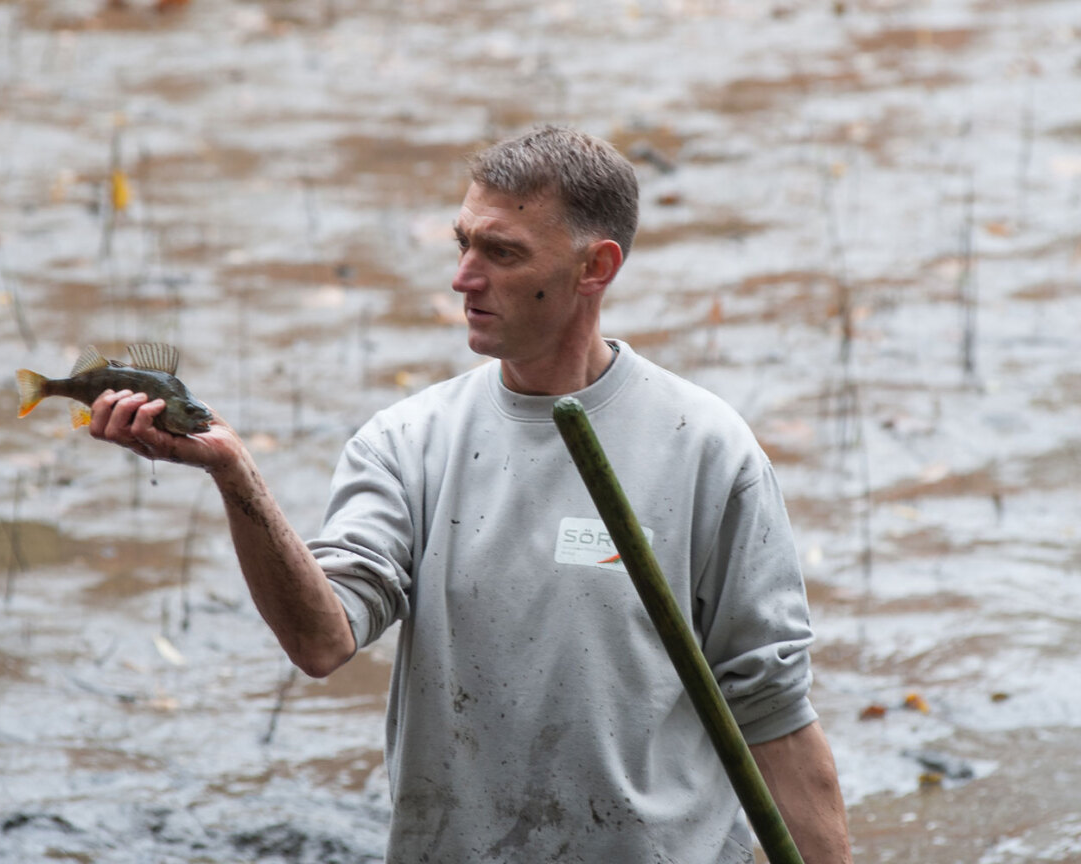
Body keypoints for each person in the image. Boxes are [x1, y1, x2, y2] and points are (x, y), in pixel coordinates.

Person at [89, 126, 854, 863]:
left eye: (502, 253)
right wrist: (237, 477)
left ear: (597, 267)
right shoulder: (406, 442)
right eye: (463, 243)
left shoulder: (709, 450)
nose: (462, 277)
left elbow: (774, 715)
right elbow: (322, 641)